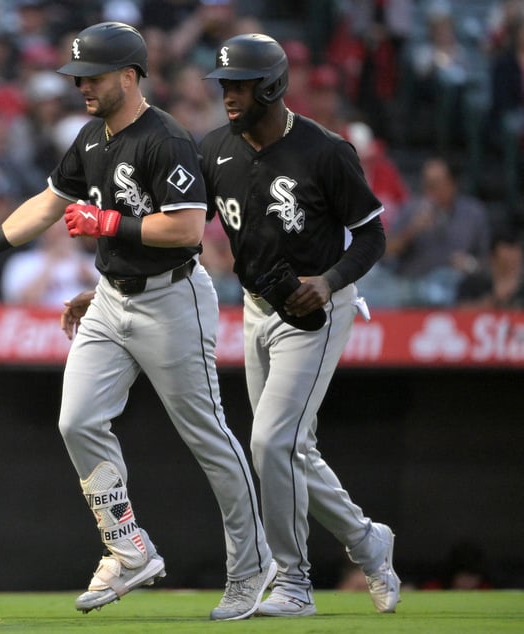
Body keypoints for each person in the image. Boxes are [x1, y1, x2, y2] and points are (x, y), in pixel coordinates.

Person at [0, 22, 274, 621]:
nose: (82, 86)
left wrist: (108, 227)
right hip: (112, 298)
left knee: (208, 437)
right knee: (77, 421)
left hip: (173, 298)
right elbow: (51, 201)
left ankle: (252, 568)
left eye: (92, 75)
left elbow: (189, 230)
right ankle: (128, 547)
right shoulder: (90, 137)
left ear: (129, 74)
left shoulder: (165, 137)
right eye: (77, 76)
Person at [198, 33, 400, 616]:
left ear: (273, 85)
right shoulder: (216, 149)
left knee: (271, 442)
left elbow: (372, 235)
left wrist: (331, 282)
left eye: (240, 85)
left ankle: (293, 582)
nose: (229, 96)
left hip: (318, 308)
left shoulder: (325, 151)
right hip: (257, 307)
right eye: (225, 85)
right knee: (289, 453)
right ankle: (367, 539)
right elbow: (187, 228)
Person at [384, 156, 491, 306]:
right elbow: (385, 251)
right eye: (427, 183)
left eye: (436, 184)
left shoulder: (473, 213)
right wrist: (411, 231)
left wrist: (470, 264)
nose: (430, 190)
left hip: (457, 291)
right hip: (412, 291)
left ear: (453, 184)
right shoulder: (410, 210)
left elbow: (487, 262)